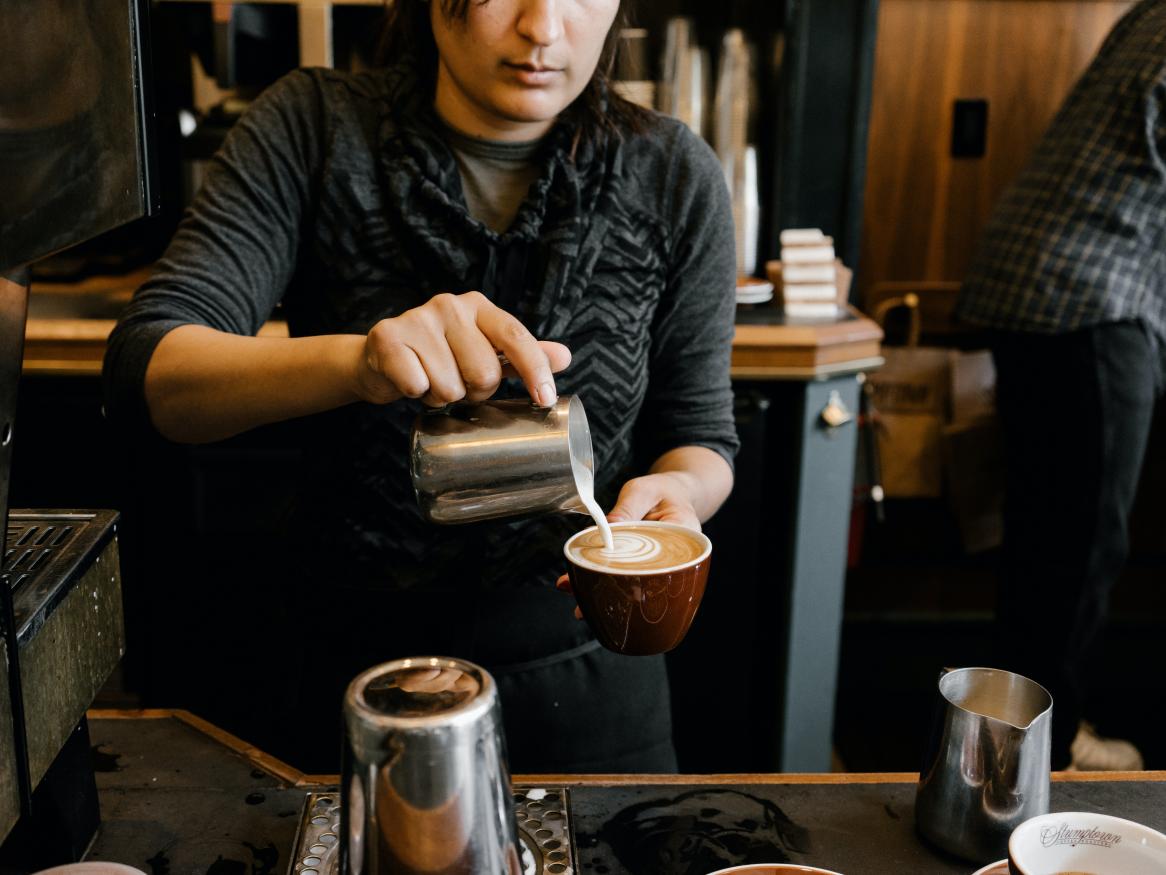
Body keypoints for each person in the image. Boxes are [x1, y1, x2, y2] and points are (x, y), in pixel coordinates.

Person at [103, 0, 738, 773]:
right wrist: (358, 363)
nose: (544, 28)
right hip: (353, 676)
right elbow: (152, 373)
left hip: (590, 682)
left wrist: (677, 494)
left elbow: (702, 434)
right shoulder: (316, 128)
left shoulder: (673, 173)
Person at [956, 0, 1166, 770]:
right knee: (1079, 554)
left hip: (1037, 283)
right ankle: (1051, 754)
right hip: (1093, 296)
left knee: (1043, 544)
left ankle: (1014, 745)